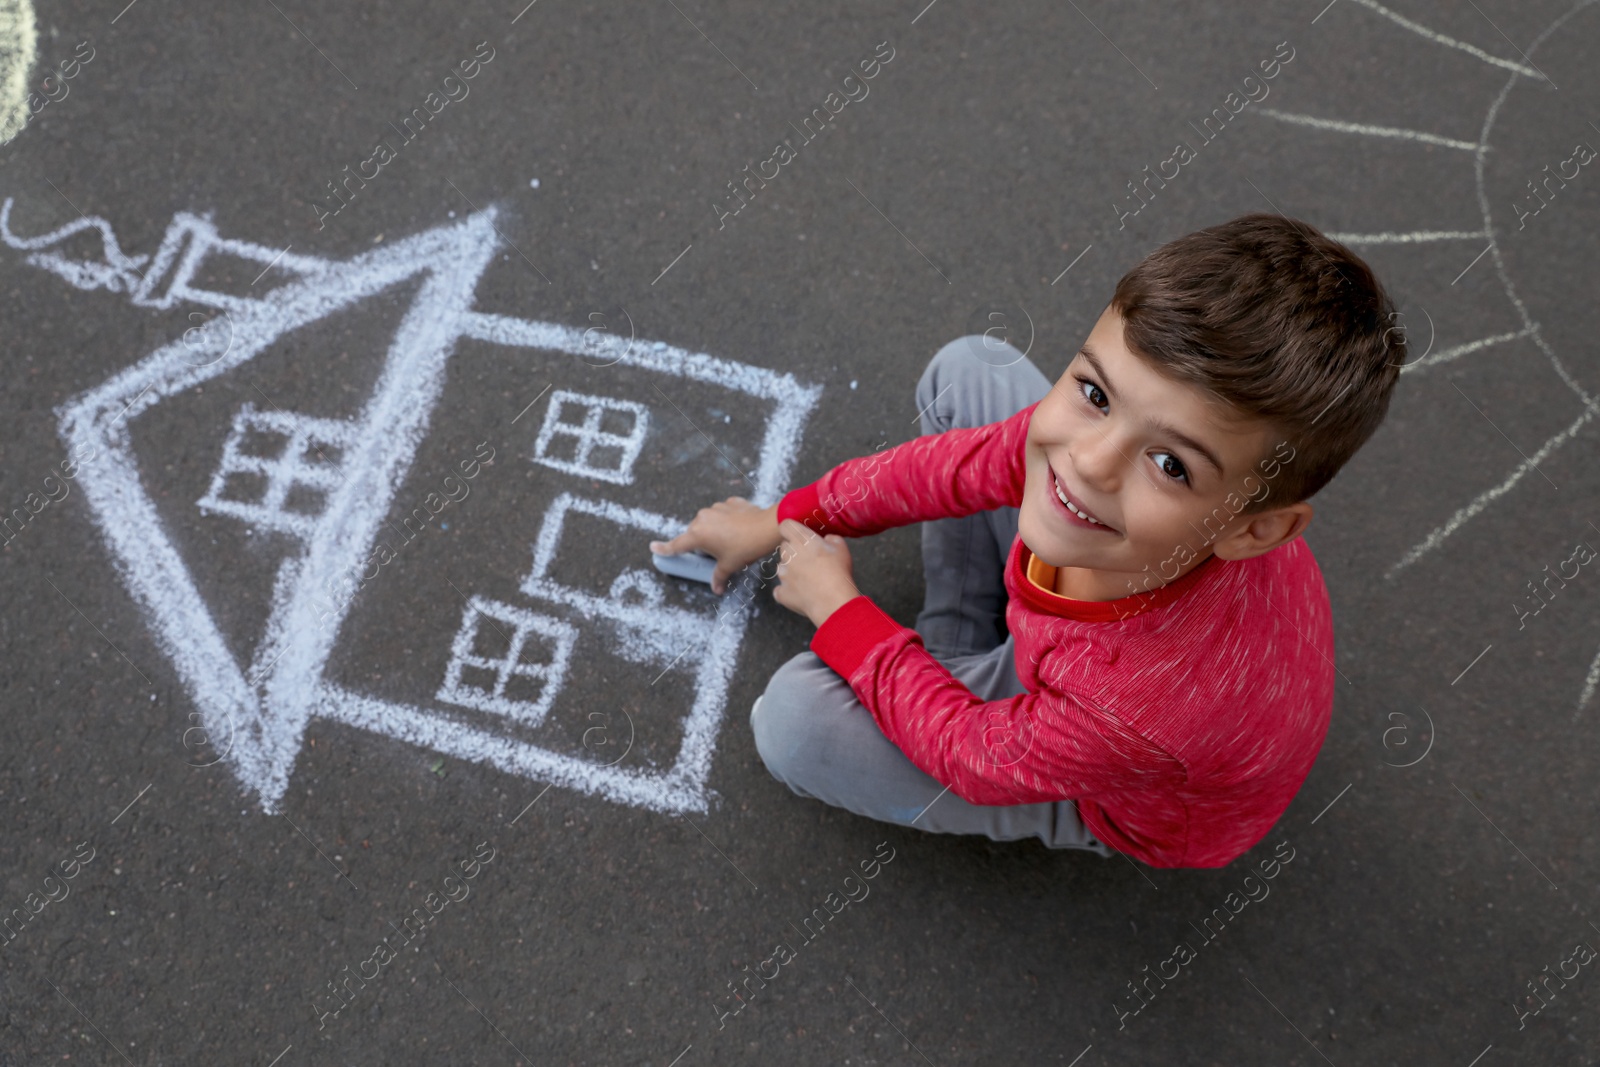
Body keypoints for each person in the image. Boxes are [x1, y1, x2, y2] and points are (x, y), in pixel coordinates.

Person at [649, 214, 1403, 869]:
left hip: (1106, 778)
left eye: (1170, 464)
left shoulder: (1139, 704)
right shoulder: (1111, 476)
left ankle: (943, 668)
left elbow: (972, 757)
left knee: (793, 725)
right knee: (970, 371)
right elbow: (963, 464)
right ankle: (950, 647)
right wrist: (790, 514)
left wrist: (841, 612)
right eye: (1096, 392)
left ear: (1255, 529)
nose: (1090, 463)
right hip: (1095, 656)